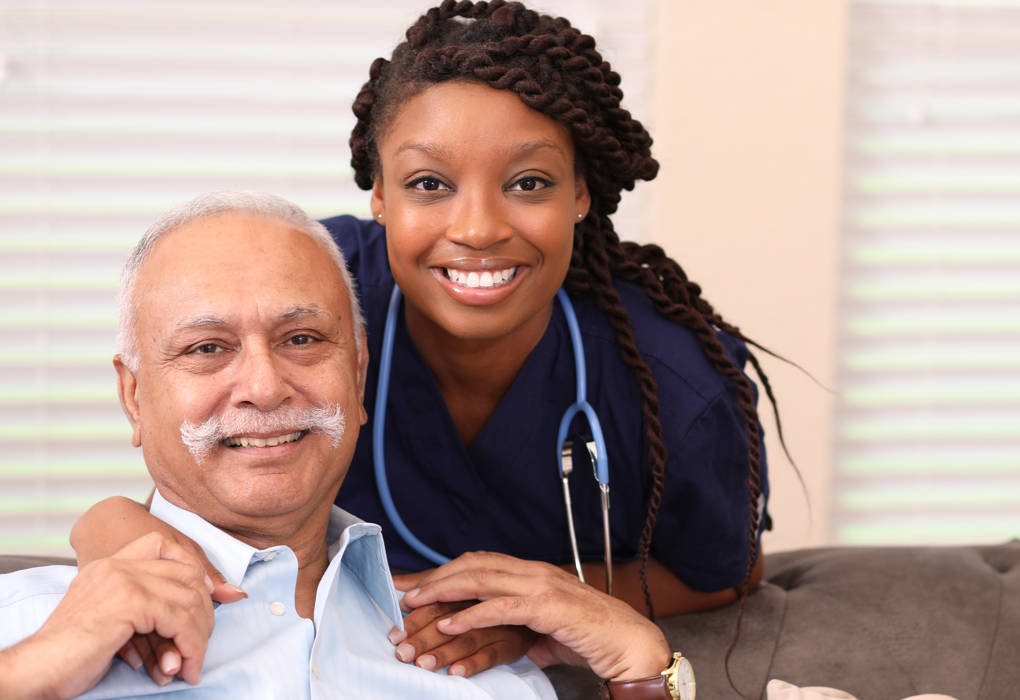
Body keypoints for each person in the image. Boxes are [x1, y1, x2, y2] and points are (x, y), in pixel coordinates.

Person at [74, 0, 780, 678]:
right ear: (378, 192)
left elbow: (725, 570)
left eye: (529, 182)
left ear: (581, 192)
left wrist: (541, 605)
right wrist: (107, 527)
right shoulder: (315, 298)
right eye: (429, 183)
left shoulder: (675, 376)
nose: (477, 228)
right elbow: (195, 468)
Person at [0, 193, 676, 699]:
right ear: (133, 396)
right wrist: (40, 664)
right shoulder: (29, 629)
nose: (264, 388)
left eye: (301, 339)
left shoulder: (474, 659)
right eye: (207, 348)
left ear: (357, 373)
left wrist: (647, 668)